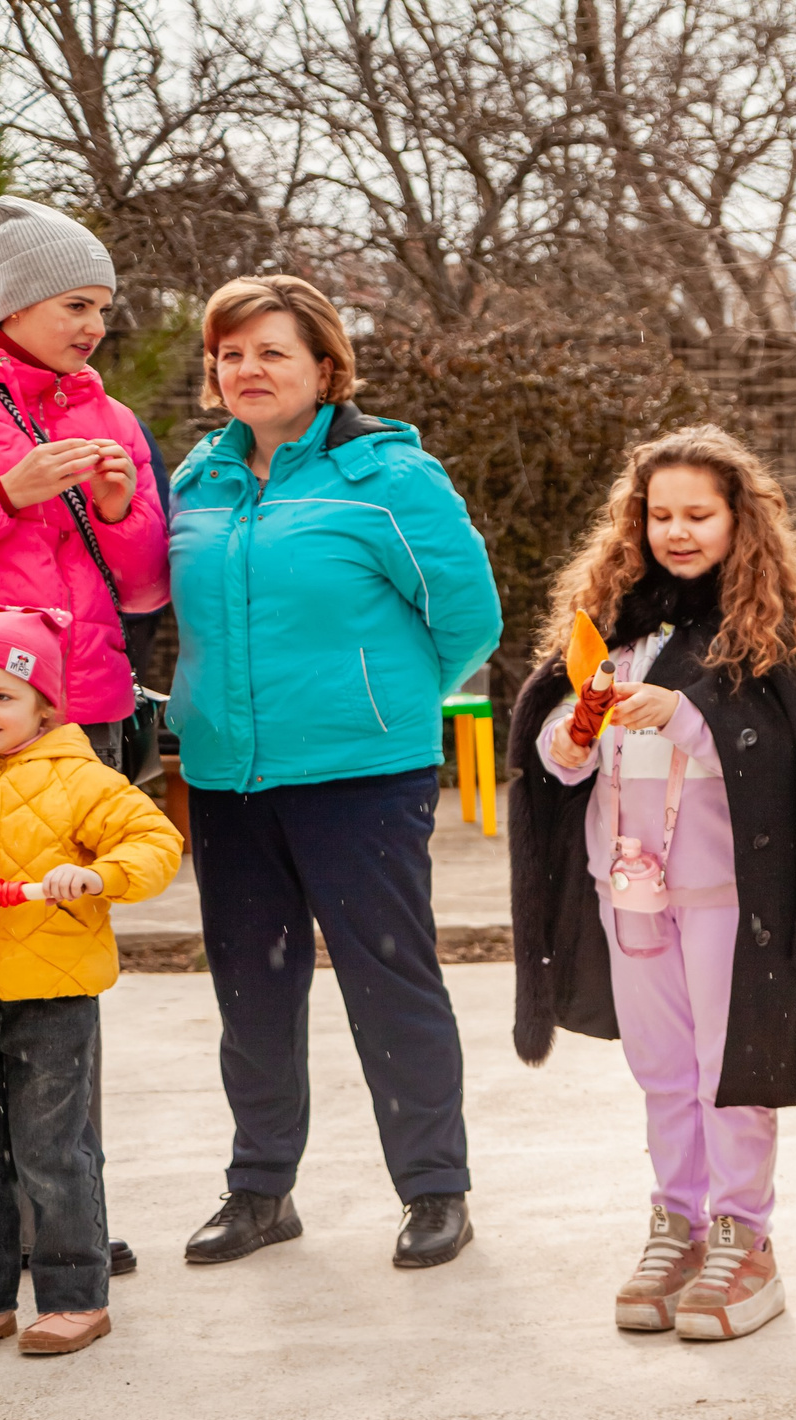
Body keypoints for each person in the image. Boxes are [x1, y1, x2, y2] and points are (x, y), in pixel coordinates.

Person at [167, 276, 502, 1270]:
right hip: (226, 778)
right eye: (230, 353)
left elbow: (469, 619)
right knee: (251, 991)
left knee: (388, 983)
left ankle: (435, 1189)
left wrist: (379, 703)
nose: (247, 369)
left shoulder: (389, 476)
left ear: (324, 365)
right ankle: (260, 1190)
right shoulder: (197, 480)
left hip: (361, 778)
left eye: (271, 351)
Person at [509, 425, 796, 1339]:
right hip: (628, 892)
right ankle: (678, 1224)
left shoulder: (768, 635)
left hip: (730, 901)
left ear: (740, 519)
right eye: (659, 514)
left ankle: (745, 1234)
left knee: (730, 1071)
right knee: (662, 1069)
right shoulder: (615, 624)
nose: (676, 531)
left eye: (698, 514)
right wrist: (569, 739)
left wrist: (687, 714)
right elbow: (559, 755)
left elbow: (793, 755)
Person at [0, 606, 180, 1354]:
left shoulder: (80, 779)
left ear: (46, 705)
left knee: (51, 1149)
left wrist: (98, 875)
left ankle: (76, 1295)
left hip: (51, 992)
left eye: (2, 696)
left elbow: (155, 840)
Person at [0, 198, 169, 775]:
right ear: (12, 304)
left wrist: (118, 516)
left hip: (92, 720)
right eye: (76, 305)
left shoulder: (116, 421)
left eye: (102, 308)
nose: (96, 327)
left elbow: (147, 594)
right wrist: (7, 497)